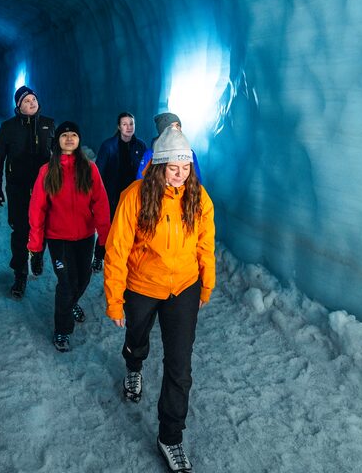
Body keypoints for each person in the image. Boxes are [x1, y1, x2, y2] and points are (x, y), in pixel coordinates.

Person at [104, 126, 215, 473]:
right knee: (136, 338)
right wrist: (114, 298)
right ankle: (133, 367)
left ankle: (170, 435)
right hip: (142, 285)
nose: (180, 175)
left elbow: (205, 245)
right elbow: (117, 248)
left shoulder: (199, 198)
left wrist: (206, 284)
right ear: (159, 166)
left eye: (185, 168)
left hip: (183, 287)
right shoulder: (135, 196)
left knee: (180, 366)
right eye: (173, 168)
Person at [27, 121, 110, 352]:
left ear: (79, 139)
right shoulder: (47, 170)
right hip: (58, 238)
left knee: (83, 279)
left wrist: (102, 242)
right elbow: (37, 210)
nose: (70, 139)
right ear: (58, 140)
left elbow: (101, 205)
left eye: (74, 134)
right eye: (65, 135)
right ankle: (62, 330)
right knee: (66, 283)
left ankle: (71, 303)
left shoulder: (89, 169)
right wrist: (35, 249)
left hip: (84, 237)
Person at [0, 85, 55, 299]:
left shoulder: (48, 125)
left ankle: (37, 256)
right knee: (20, 231)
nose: (31, 103)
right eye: (26, 101)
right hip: (18, 188)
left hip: (43, 189)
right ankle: (20, 274)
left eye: (33, 99)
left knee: (43, 227)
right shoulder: (8, 127)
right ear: (18, 106)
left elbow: (59, 157)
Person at [95, 111, 148, 230]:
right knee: (111, 229)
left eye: (131, 124)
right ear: (119, 127)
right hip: (113, 196)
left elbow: (146, 171)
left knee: (132, 228)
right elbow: (98, 173)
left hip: (134, 195)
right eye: (124, 124)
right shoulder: (108, 146)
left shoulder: (141, 145)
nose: (129, 127)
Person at [135, 112, 202, 181]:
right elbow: (140, 179)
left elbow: (196, 180)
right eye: (171, 126)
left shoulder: (189, 153)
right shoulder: (151, 154)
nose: (175, 129)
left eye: (177, 125)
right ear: (162, 131)